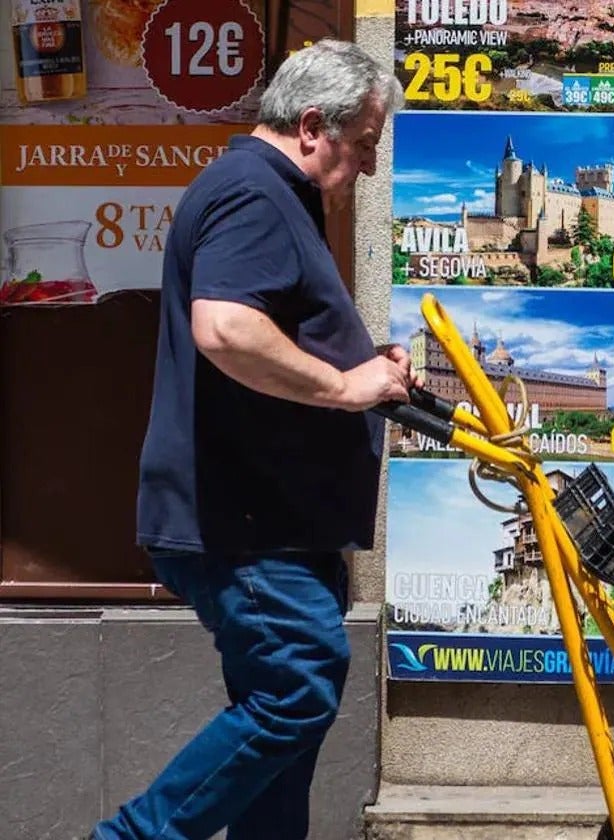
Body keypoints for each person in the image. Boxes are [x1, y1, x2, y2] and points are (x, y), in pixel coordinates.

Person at [91, 39, 415, 840]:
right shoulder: (255, 193)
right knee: (297, 690)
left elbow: (266, 324)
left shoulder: (267, 193)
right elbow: (228, 328)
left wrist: (361, 362)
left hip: (270, 522)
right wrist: (345, 387)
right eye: (364, 143)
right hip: (246, 525)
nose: (368, 168)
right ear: (313, 125)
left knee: (281, 732)